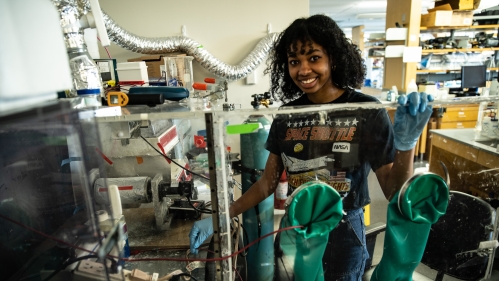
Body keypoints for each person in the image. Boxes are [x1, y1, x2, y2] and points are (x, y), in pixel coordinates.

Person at [189, 14, 432, 280]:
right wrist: (222, 216)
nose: (303, 70)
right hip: (299, 229)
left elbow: (393, 191)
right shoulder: (287, 114)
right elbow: (266, 184)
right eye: (295, 62)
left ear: (334, 58)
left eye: (314, 58)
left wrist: (407, 145)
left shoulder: (365, 110)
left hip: (345, 231)